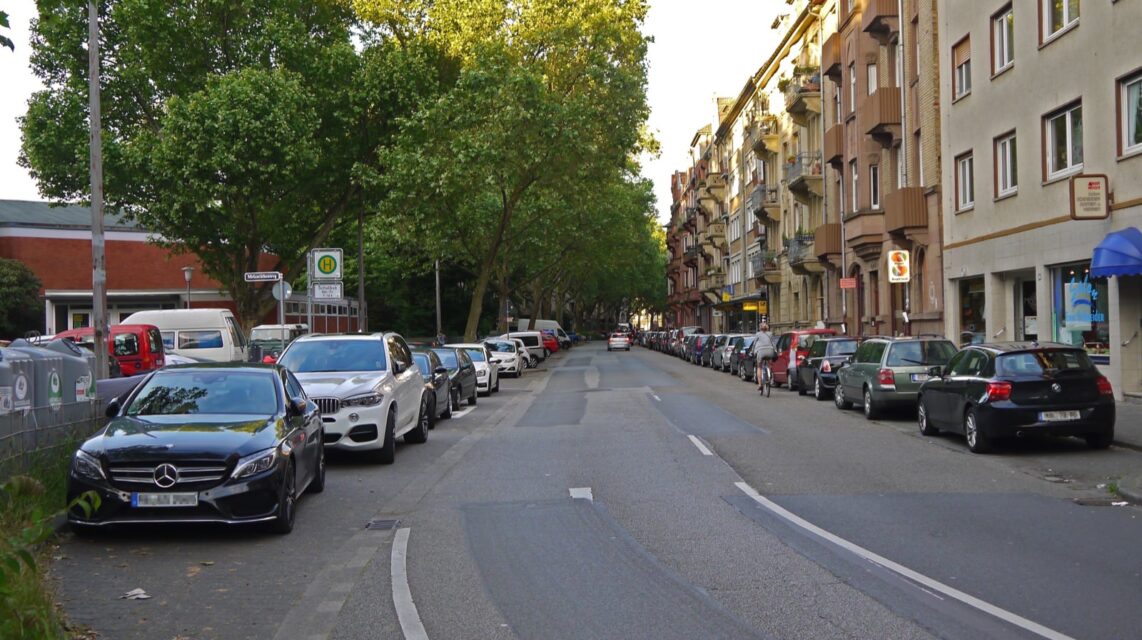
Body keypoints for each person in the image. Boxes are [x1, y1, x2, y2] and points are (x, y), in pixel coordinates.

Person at [750, 323, 776, 392]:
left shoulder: (758, 334)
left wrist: (752, 351)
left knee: (759, 367)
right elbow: (773, 343)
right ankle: (771, 377)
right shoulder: (770, 334)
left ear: (760, 328)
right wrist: (775, 351)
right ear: (767, 328)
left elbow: (754, 343)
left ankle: (760, 384)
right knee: (770, 364)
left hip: (761, 351)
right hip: (770, 351)